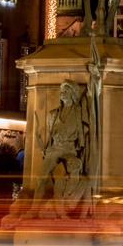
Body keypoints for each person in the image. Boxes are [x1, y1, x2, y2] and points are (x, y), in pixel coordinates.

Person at [33, 79, 90, 212]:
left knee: (74, 173)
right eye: (61, 91)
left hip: (70, 149)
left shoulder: (79, 112)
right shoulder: (53, 114)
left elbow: (91, 94)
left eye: (65, 91)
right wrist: (46, 148)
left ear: (72, 94)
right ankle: (34, 209)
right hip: (55, 149)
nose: (62, 94)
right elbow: (50, 136)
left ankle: (74, 206)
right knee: (41, 178)